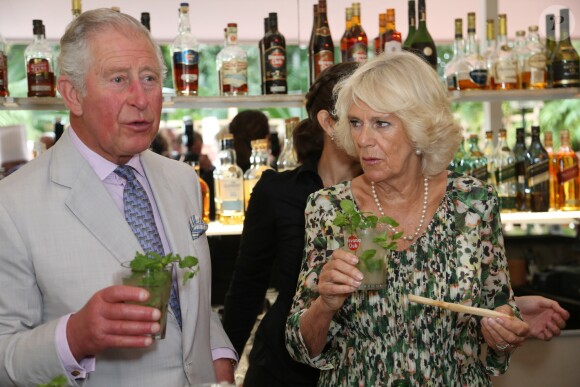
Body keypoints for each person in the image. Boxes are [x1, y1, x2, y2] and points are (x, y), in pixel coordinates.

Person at [0, 9, 235, 386]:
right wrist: (74, 337)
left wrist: (219, 355)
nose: (140, 99)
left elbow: (189, 301)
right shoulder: (12, 205)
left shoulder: (181, 180)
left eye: (149, 78)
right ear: (73, 95)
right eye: (118, 79)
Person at [285, 51, 531, 385]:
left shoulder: (472, 203)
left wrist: (503, 330)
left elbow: (501, 309)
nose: (363, 139)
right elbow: (301, 346)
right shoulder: (330, 208)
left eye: (381, 123)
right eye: (356, 123)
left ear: (420, 128)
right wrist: (325, 305)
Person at [222, 62, 362, 386]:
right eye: (358, 119)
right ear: (328, 122)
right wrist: (223, 366)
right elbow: (246, 288)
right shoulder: (278, 191)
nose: (371, 130)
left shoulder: (386, 193)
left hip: (358, 368)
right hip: (283, 370)